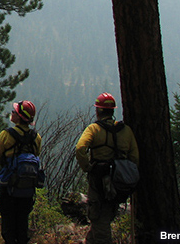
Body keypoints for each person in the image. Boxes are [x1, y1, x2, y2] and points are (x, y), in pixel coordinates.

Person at [75, 92, 139, 244]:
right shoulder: (126, 131)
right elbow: (134, 158)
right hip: (119, 181)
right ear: (112, 111)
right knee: (106, 215)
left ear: (98, 111)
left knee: (98, 217)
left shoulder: (94, 129)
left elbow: (80, 149)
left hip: (98, 180)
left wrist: (87, 167)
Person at [0, 100, 42, 244]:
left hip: (9, 185)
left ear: (20, 117)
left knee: (8, 222)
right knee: (22, 222)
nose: (12, 113)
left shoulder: (6, 135)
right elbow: (37, 154)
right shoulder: (36, 138)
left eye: (14, 112)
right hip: (27, 187)